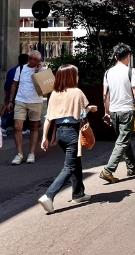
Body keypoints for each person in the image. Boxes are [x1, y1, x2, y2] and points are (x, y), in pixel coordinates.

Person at [38, 65, 97, 214]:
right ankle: (49, 195)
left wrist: (44, 137)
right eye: (76, 74)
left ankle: (78, 193)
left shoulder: (55, 94)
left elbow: (48, 118)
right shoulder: (77, 92)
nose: (78, 77)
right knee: (69, 167)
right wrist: (90, 109)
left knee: (75, 162)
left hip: (59, 133)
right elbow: (82, 115)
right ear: (71, 76)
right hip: (72, 132)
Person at [100, 43, 135, 183]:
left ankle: (132, 166)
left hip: (114, 111)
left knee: (123, 139)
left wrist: (106, 111)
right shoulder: (130, 71)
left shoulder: (108, 72)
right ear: (128, 57)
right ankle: (108, 170)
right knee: (122, 141)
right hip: (126, 110)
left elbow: (105, 94)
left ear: (115, 57)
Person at [6, 50, 46, 165]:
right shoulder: (21, 68)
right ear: (28, 58)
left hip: (36, 101)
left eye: (36, 60)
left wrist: (39, 71)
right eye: (31, 58)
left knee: (34, 127)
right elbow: (14, 84)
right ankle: (19, 153)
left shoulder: (43, 70)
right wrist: (10, 101)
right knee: (17, 127)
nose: (33, 61)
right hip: (21, 100)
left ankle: (31, 153)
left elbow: (47, 86)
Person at [2, 54, 29, 137]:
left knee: (11, 110)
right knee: (13, 111)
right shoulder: (24, 71)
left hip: (11, 94)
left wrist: (7, 94)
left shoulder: (11, 70)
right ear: (27, 61)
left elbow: (7, 84)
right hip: (19, 95)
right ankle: (3, 126)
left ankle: (24, 128)